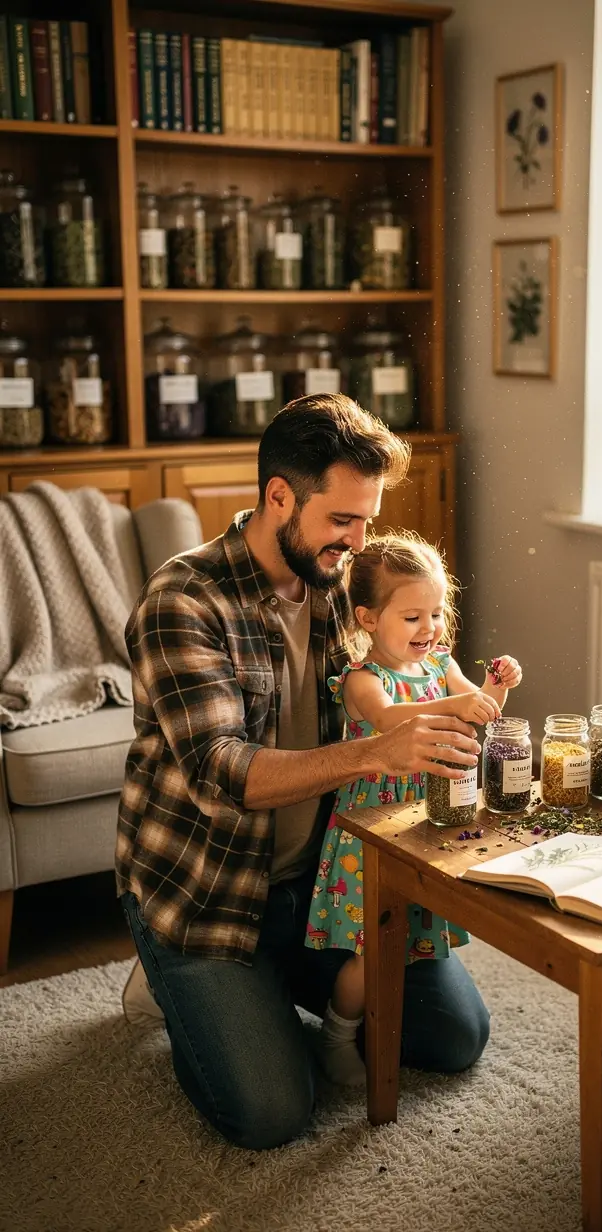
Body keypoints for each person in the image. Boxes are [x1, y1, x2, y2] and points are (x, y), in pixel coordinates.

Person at [115, 393, 490, 1151]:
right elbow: (225, 769)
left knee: (456, 1036)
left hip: (324, 883)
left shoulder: (338, 592)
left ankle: (270, 991)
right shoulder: (184, 600)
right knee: (275, 1112)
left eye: (367, 520)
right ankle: (183, 981)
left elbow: (405, 675)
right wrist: (376, 751)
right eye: (342, 520)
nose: (356, 541)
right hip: (210, 893)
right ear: (278, 496)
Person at [308, 534, 522, 1085]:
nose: (427, 628)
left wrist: (497, 688)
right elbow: (389, 720)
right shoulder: (362, 680)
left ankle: (395, 1022)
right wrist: (455, 703)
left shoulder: (442, 666)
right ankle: (336, 1035)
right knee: (370, 949)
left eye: (434, 612)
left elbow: (483, 713)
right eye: (411, 616)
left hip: (428, 827)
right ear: (368, 618)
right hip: (371, 836)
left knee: (412, 937)